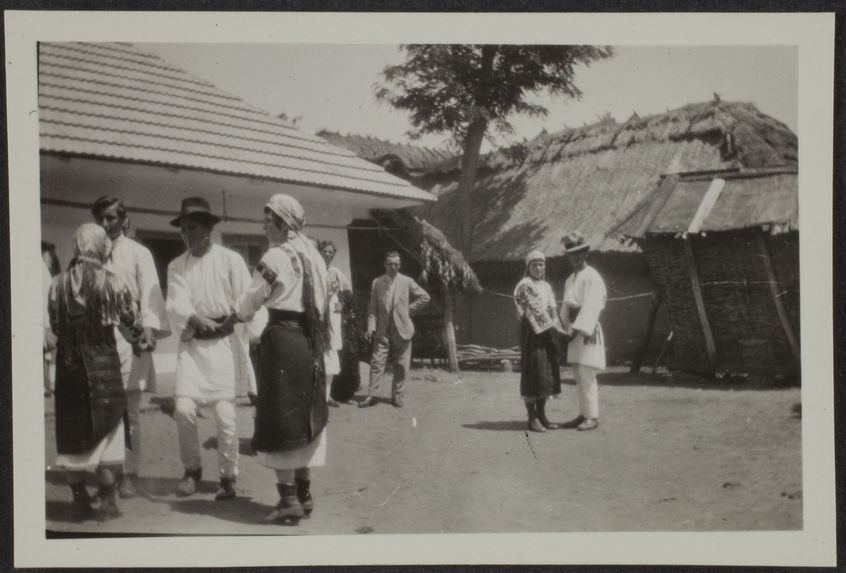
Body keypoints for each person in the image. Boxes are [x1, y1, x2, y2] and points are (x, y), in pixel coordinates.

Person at [228, 193, 331, 523]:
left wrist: (235, 313)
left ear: (284, 224)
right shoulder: (314, 255)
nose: (263, 225)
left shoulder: (274, 257)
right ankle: (304, 494)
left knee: (281, 415)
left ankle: (288, 501)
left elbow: (250, 302)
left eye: (267, 219)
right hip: (311, 342)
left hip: (284, 340)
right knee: (305, 416)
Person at [48, 223, 146, 520]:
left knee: (72, 430)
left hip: (69, 366)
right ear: (103, 247)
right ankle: (107, 498)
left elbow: (55, 326)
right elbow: (132, 327)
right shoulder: (113, 282)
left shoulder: (57, 284)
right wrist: (137, 337)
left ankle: (79, 499)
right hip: (103, 364)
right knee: (110, 429)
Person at [165, 197, 258, 500]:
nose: (186, 235)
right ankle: (192, 470)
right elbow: (177, 302)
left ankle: (228, 476)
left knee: (226, 415)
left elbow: (247, 298)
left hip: (223, 345)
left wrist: (235, 320)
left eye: (192, 228)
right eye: (183, 230)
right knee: (183, 410)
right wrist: (195, 317)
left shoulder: (230, 260)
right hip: (193, 347)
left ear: (208, 228)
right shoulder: (177, 265)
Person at [91, 196, 171, 498]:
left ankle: (129, 472)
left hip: (130, 336)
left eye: (111, 218)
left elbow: (150, 295)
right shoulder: (91, 253)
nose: (105, 224)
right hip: (99, 338)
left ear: (124, 220)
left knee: (130, 410)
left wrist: (147, 331)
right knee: (102, 409)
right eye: (100, 218)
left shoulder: (139, 252)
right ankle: (106, 474)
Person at [360, 251, 430, 408]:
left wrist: (408, 311)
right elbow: (372, 309)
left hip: (402, 329)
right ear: (385, 265)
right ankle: (372, 395)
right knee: (377, 362)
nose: (393, 267)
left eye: (396, 264)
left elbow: (425, 297)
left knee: (401, 364)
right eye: (390, 264)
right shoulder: (377, 283)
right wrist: (371, 327)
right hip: (382, 329)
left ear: (400, 265)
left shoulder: (407, 281)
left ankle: (397, 396)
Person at [558, 231, 607, 431]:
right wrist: (561, 327)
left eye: (579, 253)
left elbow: (591, 307)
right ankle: (583, 413)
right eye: (571, 254)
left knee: (587, 374)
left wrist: (576, 330)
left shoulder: (592, 277)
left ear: (586, 253)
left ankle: (593, 416)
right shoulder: (570, 279)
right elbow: (566, 307)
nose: (575, 258)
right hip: (572, 329)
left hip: (585, 331)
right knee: (577, 374)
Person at [513, 249, 566, 432]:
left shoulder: (546, 286)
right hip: (532, 335)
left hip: (548, 333)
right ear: (528, 267)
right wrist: (553, 331)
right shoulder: (524, 286)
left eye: (541, 264)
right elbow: (535, 313)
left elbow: (552, 311)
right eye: (534, 264)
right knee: (533, 372)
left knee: (546, 374)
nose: (538, 268)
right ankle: (532, 417)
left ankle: (542, 415)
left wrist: (558, 331)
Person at [318, 240, 353, 406]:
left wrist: (342, 303)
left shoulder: (337, 273)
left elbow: (347, 292)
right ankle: (317, 395)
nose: (327, 254)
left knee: (330, 353)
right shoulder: (315, 271)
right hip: (317, 314)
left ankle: (327, 395)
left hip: (332, 315)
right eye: (325, 251)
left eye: (331, 252)